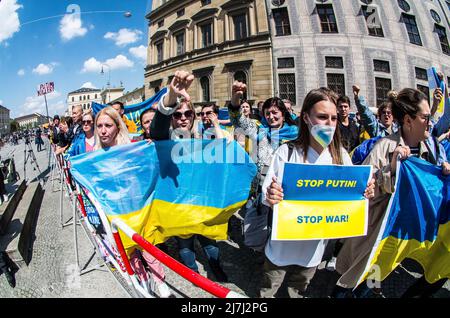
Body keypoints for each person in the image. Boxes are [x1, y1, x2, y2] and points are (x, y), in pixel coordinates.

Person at [333, 88, 450, 298]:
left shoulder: (431, 147)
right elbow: (364, 191)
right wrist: (392, 169)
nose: (429, 122)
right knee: (355, 282)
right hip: (377, 232)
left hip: (401, 235)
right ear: (408, 120)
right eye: (425, 117)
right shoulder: (384, 146)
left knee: (373, 278)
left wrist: (443, 172)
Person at [260, 88, 375, 298]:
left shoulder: (340, 156)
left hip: (312, 254)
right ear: (306, 117)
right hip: (279, 250)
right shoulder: (287, 152)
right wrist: (271, 195)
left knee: (298, 291)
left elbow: (353, 197)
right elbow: (266, 196)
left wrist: (364, 192)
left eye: (333, 118)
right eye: (322, 117)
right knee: (268, 291)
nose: (329, 124)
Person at [150, 70, 228, 282]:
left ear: (193, 116)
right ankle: (194, 275)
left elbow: (224, 153)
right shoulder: (165, 139)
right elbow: (156, 129)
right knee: (185, 246)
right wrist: (171, 98)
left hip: (203, 201)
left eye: (187, 114)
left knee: (210, 242)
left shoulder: (204, 136)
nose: (182, 118)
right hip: (178, 203)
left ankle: (216, 268)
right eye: (177, 114)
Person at [94, 106, 172, 297]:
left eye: (108, 125)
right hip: (114, 211)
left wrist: (151, 147)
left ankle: (161, 283)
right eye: (99, 126)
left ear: (117, 127)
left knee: (147, 246)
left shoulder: (133, 147)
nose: (103, 130)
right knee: (129, 251)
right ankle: (142, 280)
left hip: (137, 206)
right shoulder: (93, 155)